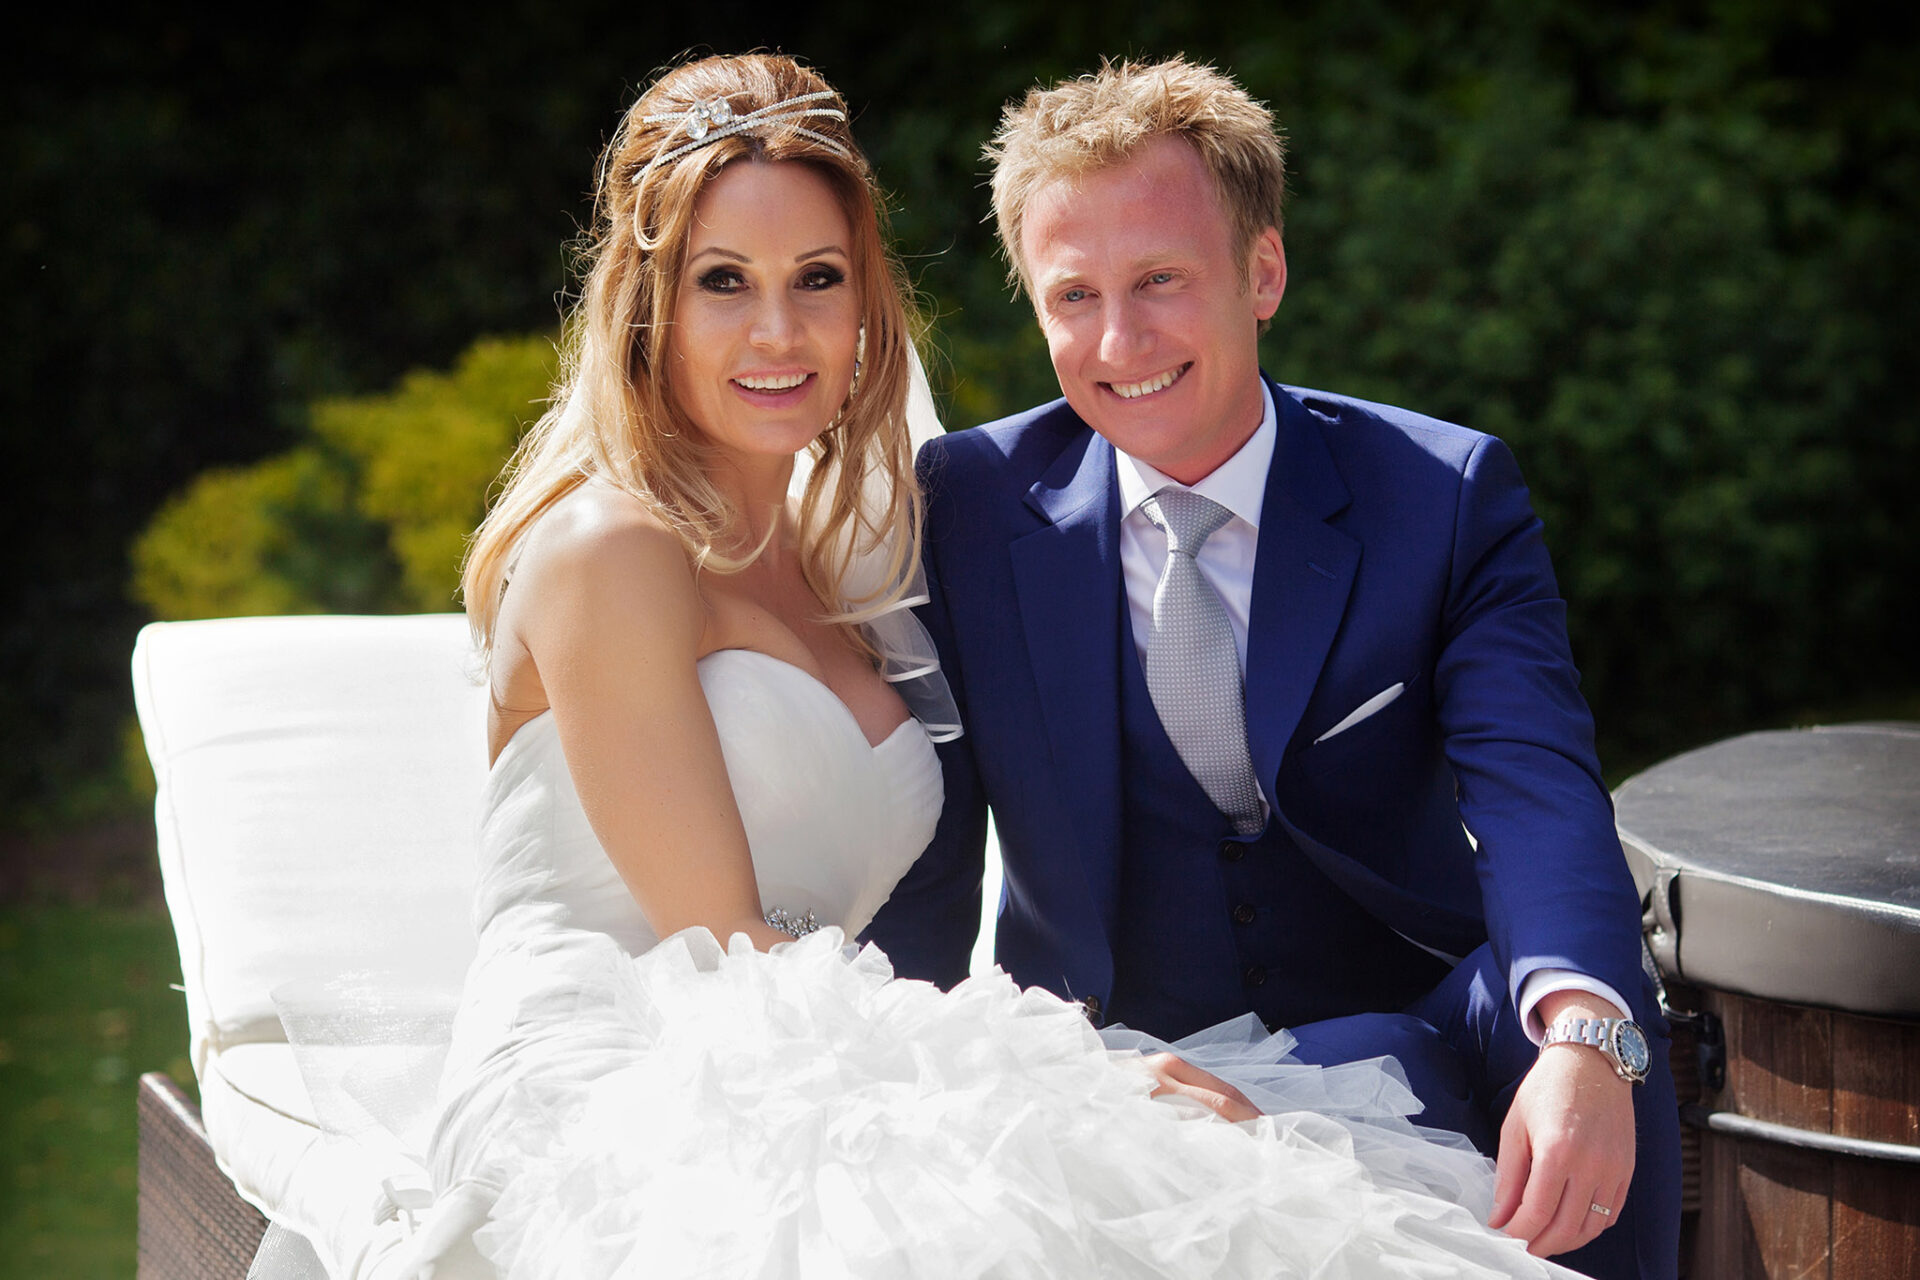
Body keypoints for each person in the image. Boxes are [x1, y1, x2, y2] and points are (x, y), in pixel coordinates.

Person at [314, 52, 1586, 1279]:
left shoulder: (855, 560)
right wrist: (1063, 1073)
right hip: (638, 1084)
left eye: (816, 276)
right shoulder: (614, 551)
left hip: (820, 1058)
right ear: (647, 301)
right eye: (721, 280)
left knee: (1249, 1203)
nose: (778, 328)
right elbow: (720, 951)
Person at [864, 57, 1682, 1280]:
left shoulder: (1442, 495)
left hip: (1419, 1020)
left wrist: (1583, 1037)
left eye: (1159, 281)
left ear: (1263, 272)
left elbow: (1538, 785)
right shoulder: (967, 510)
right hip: (1118, 1064)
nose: (1117, 339)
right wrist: (904, 1095)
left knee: (1604, 1025)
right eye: (1072, 294)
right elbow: (928, 850)